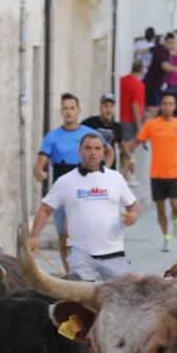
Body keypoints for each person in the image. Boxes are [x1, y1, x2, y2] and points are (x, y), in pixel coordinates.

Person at [28, 132, 140, 279]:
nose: (92, 152)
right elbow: (45, 209)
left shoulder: (115, 178)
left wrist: (133, 215)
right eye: (88, 148)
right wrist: (34, 237)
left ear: (103, 152)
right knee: (79, 299)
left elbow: (133, 204)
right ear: (80, 151)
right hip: (81, 255)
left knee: (121, 297)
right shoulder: (66, 181)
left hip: (114, 253)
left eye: (97, 148)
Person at [35, 94, 103, 258]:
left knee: (76, 230)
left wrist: (104, 170)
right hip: (62, 189)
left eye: (72, 108)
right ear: (61, 111)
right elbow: (41, 161)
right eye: (65, 108)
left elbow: (108, 151)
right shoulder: (52, 136)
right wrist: (39, 171)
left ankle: (86, 265)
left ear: (78, 110)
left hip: (85, 188)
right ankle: (69, 273)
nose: (68, 112)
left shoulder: (90, 134)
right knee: (63, 236)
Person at [125, 92, 177, 253]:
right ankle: (166, 237)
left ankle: (175, 219)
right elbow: (136, 142)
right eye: (165, 103)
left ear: (175, 107)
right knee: (160, 209)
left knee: (176, 206)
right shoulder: (151, 125)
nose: (168, 106)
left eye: (171, 103)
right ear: (161, 106)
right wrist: (125, 149)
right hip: (157, 174)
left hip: (175, 173)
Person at [118, 60, 147, 183]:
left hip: (120, 118)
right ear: (141, 70)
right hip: (129, 121)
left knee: (123, 148)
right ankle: (126, 176)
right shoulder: (138, 84)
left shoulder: (122, 80)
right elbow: (135, 106)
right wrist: (139, 126)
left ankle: (124, 174)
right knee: (128, 150)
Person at [82, 93, 124, 170]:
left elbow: (123, 149)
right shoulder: (88, 123)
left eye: (111, 106)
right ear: (100, 107)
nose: (109, 109)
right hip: (90, 167)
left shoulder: (117, 127)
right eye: (105, 106)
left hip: (109, 169)